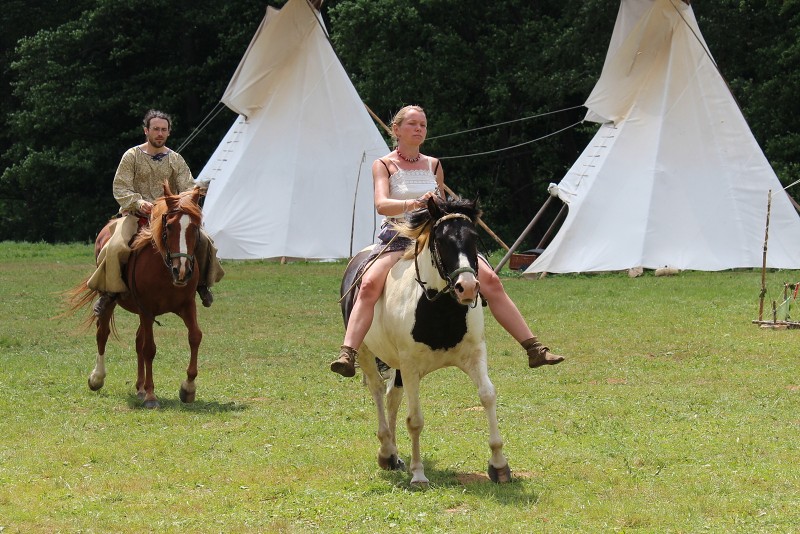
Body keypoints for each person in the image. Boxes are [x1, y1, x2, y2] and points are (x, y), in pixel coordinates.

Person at [330, 105, 564, 377]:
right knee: (369, 283)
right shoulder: (383, 164)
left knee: (491, 280)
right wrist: (414, 202)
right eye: (412, 124)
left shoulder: (433, 164)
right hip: (398, 236)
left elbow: (441, 207)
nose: (419, 129)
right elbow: (381, 205)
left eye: (423, 125)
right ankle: (349, 352)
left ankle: (533, 348)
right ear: (396, 130)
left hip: (434, 237)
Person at [88, 109, 224, 316]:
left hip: (170, 216)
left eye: (163, 130)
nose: (159, 133)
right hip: (136, 214)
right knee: (115, 246)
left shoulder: (176, 159)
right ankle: (109, 293)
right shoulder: (131, 156)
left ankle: (202, 285)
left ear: (168, 132)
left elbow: (187, 187)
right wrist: (138, 202)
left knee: (205, 241)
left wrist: (187, 199)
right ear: (146, 131)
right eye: (155, 129)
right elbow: (120, 187)